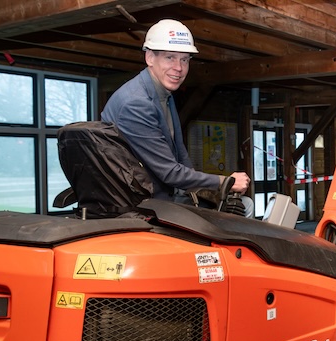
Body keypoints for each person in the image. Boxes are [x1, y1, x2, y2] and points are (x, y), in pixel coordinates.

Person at [101, 19, 253, 216]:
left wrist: (199, 194)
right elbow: (168, 172)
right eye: (170, 58)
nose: (179, 68)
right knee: (240, 214)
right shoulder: (136, 103)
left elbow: (180, 156)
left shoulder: (163, 95)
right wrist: (225, 181)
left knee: (241, 206)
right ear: (150, 57)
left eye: (184, 59)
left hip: (159, 194)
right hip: (140, 204)